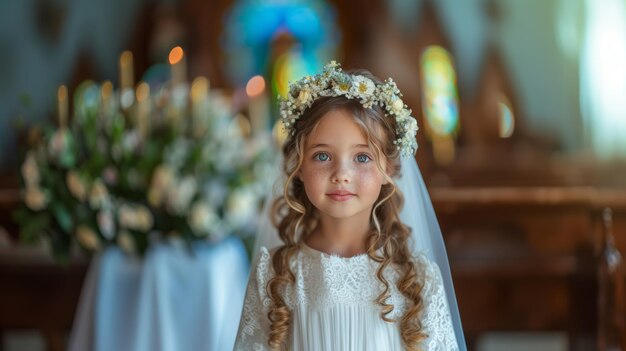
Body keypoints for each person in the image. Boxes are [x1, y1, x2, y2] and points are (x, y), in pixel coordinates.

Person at [233, 61, 465, 350]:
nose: (341, 173)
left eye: (362, 157)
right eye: (322, 156)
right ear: (298, 165)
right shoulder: (277, 275)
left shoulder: (416, 280)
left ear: (389, 169)